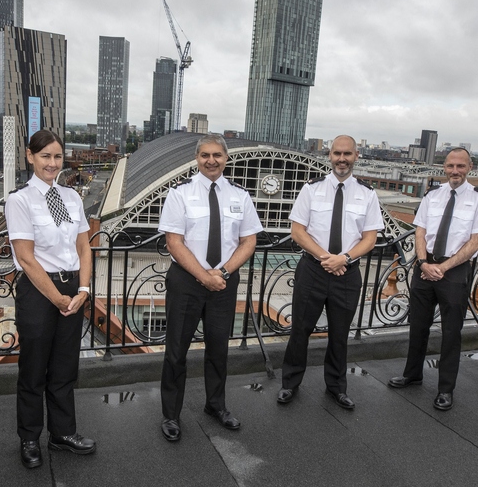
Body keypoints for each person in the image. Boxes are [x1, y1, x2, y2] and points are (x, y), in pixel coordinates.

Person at [157, 134, 263, 442]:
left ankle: (216, 405)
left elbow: (249, 241)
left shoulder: (240, 196)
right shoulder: (180, 194)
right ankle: (171, 415)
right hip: (187, 283)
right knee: (176, 351)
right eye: (205, 155)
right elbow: (173, 243)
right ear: (197, 158)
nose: (211, 160)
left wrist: (224, 272)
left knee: (219, 350)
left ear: (226, 158)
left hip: (224, 282)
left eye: (217, 155)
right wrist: (205, 276)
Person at [5, 130, 95, 468]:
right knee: (33, 369)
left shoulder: (72, 197)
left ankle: (62, 434)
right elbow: (26, 258)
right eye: (45, 156)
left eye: (57, 157)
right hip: (39, 291)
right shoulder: (20, 200)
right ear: (30, 156)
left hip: (72, 289)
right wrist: (57, 297)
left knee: (64, 366)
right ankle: (29, 438)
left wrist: (83, 290)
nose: (52, 163)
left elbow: (84, 247)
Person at [276, 135, 384, 409]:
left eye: (347, 153)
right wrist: (327, 258)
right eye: (337, 153)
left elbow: (370, 239)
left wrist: (343, 259)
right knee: (300, 329)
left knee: (340, 333)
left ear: (356, 156)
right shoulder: (311, 189)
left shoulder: (367, 194)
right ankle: (290, 383)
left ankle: (336, 387)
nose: (342, 159)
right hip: (313, 270)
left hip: (347, 274)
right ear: (329, 155)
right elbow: (298, 232)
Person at [388, 147, 478, 411]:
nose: (455, 171)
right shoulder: (432, 195)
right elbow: (420, 232)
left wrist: (443, 267)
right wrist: (423, 263)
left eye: (460, 166)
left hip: (454, 270)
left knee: (451, 332)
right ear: (444, 168)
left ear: (470, 168)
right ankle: (412, 374)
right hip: (425, 267)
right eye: (450, 166)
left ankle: (446, 389)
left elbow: (476, 240)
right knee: (418, 325)